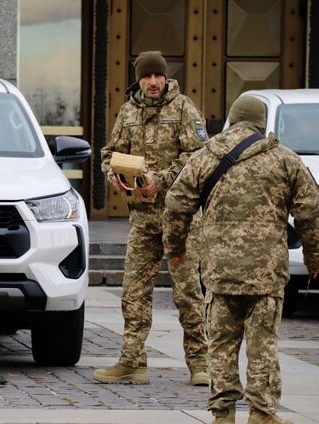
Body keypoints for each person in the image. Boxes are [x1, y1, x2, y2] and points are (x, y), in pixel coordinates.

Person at [163, 95, 319, 424]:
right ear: (262, 124)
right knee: (263, 345)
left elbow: (176, 204)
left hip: (220, 273)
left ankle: (223, 414)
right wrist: (313, 258)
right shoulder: (285, 161)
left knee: (221, 344)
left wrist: (175, 248)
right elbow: (311, 213)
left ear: (231, 121)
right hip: (267, 275)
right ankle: (262, 413)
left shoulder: (205, 158)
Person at [95, 50, 209, 386]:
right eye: (147, 77)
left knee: (188, 292)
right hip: (143, 219)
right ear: (139, 79)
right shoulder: (129, 111)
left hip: (181, 219)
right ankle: (132, 362)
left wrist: (160, 178)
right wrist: (112, 174)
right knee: (133, 291)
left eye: (157, 76)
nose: (153, 82)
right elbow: (109, 154)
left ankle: (200, 364)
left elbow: (199, 156)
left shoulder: (184, 108)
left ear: (165, 77)